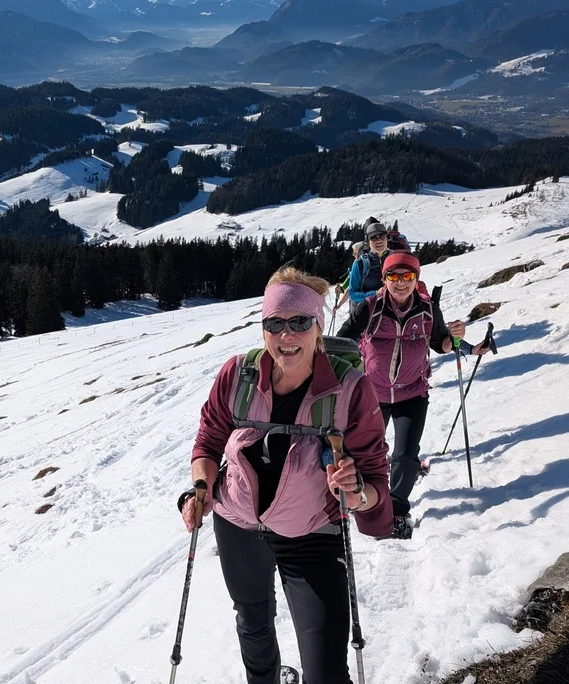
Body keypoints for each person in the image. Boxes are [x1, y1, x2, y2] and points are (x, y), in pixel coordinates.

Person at [181, 267, 392, 684]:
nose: (286, 335)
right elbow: (209, 437)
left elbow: (374, 480)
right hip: (237, 521)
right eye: (274, 324)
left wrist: (357, 492)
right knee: (253, 621)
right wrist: (201, 488)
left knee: (326, 671)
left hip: (312, 534)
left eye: (300, 322)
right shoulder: (237, 375)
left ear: (319, 326)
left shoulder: (350, 389)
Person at [337, 252, 488, 539]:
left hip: (412, 394)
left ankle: (394, 510)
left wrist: (455, 337)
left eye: (407, 276)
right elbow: (343, 340)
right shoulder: (370, 307)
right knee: (362, 452)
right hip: (371, 394)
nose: (401, 282)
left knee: (406, 457)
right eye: (394, 276)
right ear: (384, 279)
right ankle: (363, 500)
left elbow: (440, 344)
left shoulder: (428, 309)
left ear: (416, 279)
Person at [346, 222, 390, 306]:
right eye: (373, 238)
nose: (378, 240)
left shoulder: (396, 258)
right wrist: (376, 293)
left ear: (387, 238)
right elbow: (352, 294)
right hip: (369, 314)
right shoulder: (360, 263)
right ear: (368, 242)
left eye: (382, 236)